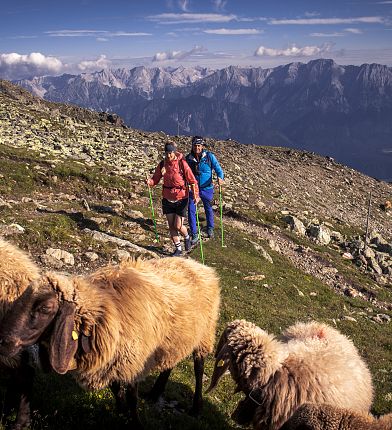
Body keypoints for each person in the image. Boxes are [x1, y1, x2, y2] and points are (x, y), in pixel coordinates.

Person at [147, 142, 199, 257]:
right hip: (167, 198)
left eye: (170, 153)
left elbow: (192, 181)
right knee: (171, 226)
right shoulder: (162, 164)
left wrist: (196, 195)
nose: (168, 155)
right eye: (166, 153)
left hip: (182, 197)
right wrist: (150, 182)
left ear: (174, 152)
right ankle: (178, 249)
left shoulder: (182, 164)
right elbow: (156, 178)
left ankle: (186, 237)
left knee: (178, 225)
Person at [186, 136, 224, 245]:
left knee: (208, 208)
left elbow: (218, 170)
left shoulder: (209, 157)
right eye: (195, 146)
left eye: (199, 145)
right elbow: (183, 172)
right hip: (193, 189)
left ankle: (210, 227)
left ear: (202, 146)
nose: (197, 148)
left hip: (207, 188)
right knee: (191, 209)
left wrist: (220, 178)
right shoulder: (188, 159)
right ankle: (194, 233)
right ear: (192, 146)